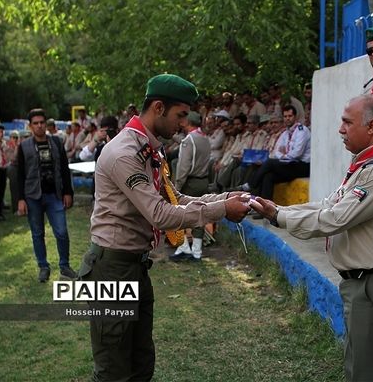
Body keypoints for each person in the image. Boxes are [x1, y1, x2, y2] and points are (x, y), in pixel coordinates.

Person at [79, 74, 250, 381]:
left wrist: (226, 197)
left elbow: (175, 197)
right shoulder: (125, 153)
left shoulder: (149, 148)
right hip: (113, 268)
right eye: (180, 115)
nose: (183, 124)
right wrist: (222, 209)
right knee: (113, 369)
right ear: (158, 107)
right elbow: (160, 214)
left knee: (141, 362)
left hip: (135, 266)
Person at [251, 95, 373, 381]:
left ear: (371, 126)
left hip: (372, 283)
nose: (340, 129)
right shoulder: (365, 165)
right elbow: (327, 205)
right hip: (362, 282)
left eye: (347, 122)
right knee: (358, 366)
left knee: (366, 373)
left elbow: (335, 218)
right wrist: (281, 210)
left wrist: (279, 217)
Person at [17, 108, 77, 282]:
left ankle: (64, 266)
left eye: (42, 122)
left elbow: (65, 169)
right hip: (33, 195)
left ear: (46, 123)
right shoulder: (24, 146)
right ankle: (43, 266)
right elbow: (20, 174)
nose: (39, 126)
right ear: (30, 126)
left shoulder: (57, 142)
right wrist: (20, 199)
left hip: (55, 195)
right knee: (37, 233)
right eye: (35, 123)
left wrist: (68, 192)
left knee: (61, 232)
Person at [242, 105, 310, 200]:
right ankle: (264, 207)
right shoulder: (285, 133)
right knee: (268, 176)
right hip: (289, 164)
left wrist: (284, 155)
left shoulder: (302, 131)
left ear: (295, 117)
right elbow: (276, 151)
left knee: (270, 162)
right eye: (285, 116)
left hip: (302, 166)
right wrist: (285, 155)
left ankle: (249, 185)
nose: (287, 119)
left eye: (290, 116)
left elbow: (297, 153)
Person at [169, 111, 211, 262]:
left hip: (190, 182)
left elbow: (184, 166)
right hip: (203, 180)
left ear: (188, 122)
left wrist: (177, 186)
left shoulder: (189, 140)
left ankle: (184, 248)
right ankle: (197, 251)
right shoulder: (205, 138)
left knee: (179, 214)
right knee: (199, 216)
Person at [0, 125, 7, 221]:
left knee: (2, 190)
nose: (1, 134)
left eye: (2, 132)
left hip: (3, 169)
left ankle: (0, 209)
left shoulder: (4, 143)